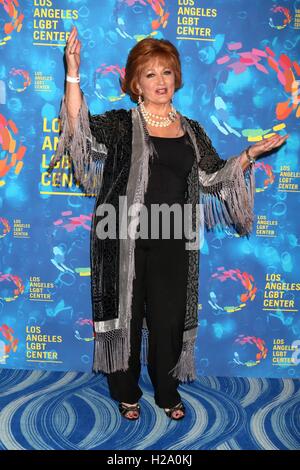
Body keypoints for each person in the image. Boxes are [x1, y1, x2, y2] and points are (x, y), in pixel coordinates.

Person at [48, 26, 288, 421]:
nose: (160, 81)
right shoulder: (122, 124)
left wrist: (248, 154)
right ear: (135, 85)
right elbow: (80, 130)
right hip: (121, 239)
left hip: (174, 239)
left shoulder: (192, 130)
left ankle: (166, 390)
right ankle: (125, 390)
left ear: (176, 78)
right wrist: (72, 73)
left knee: (169, 322)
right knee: (123, 317)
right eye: (150, 74)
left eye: (166, 73)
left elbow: (213, 176)